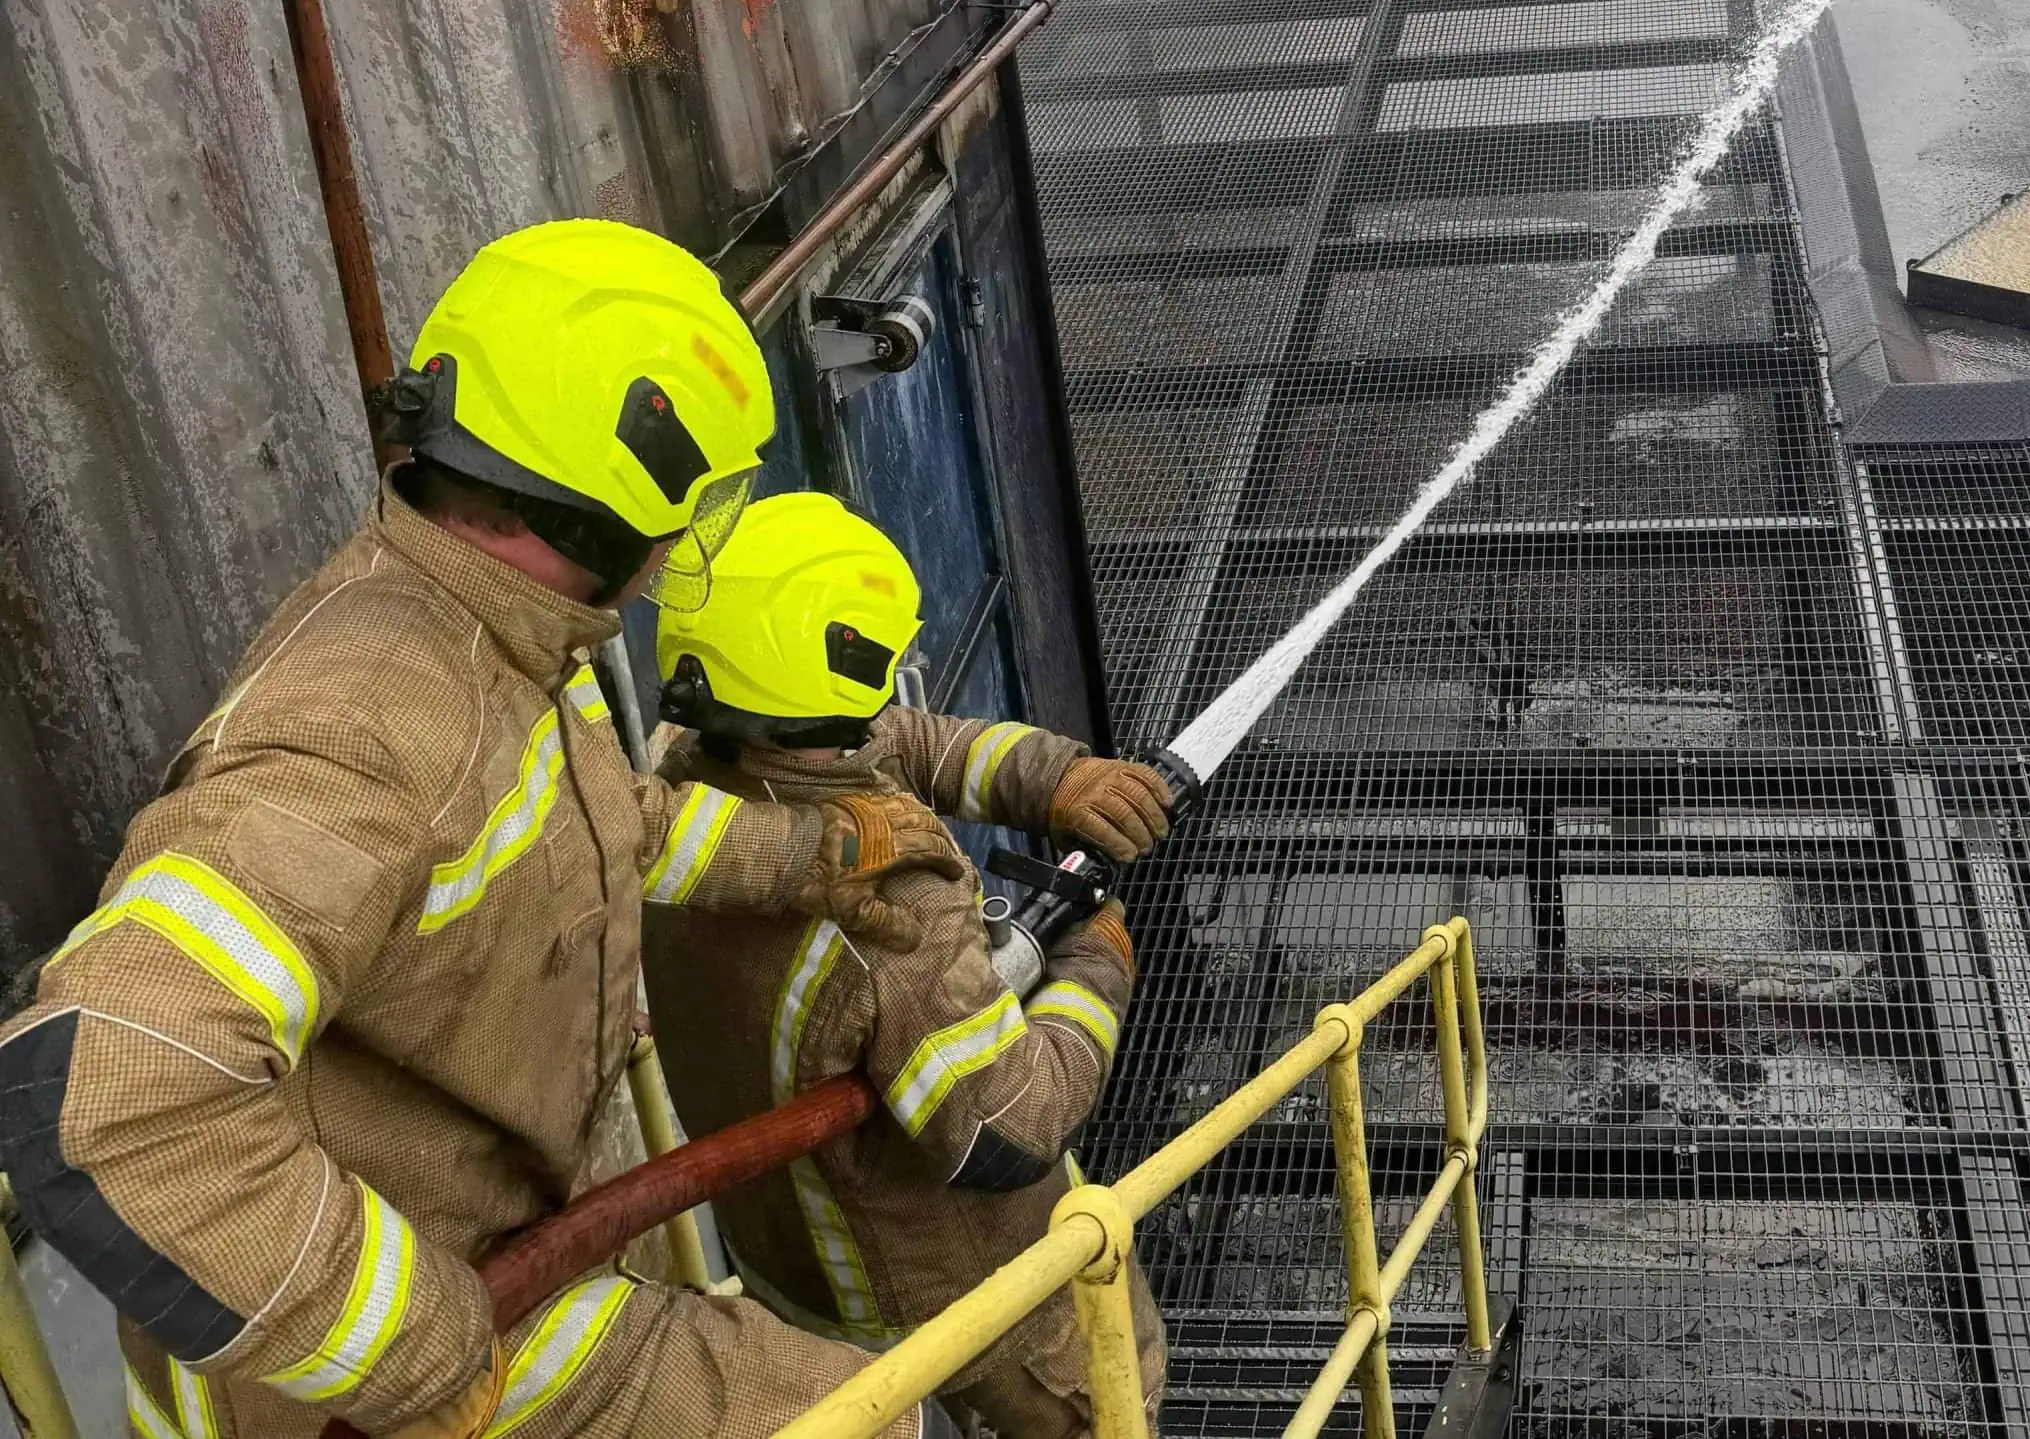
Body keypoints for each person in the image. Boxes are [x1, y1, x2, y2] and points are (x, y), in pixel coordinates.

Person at [0, 220, 953, 1438]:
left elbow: (611, 820)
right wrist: (421, 1349)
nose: (678, 551)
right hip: (391, 1359)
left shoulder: (479, 640)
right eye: (693, 508)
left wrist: (825, 854)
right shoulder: (376, 721)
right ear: (618, 505)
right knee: (880, 1418)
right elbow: (108, 1084)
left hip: (499, 1244)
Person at [642, 491, 1178, 1436]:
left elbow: (912, 743)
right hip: (952, 1291)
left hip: (783, 1255)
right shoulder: (888, 912)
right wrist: (1098, 958)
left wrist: (1060, 779)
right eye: (881, 667)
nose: (893, 689)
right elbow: (1006, 1131)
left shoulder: (693, 776)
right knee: (1107, 1397)